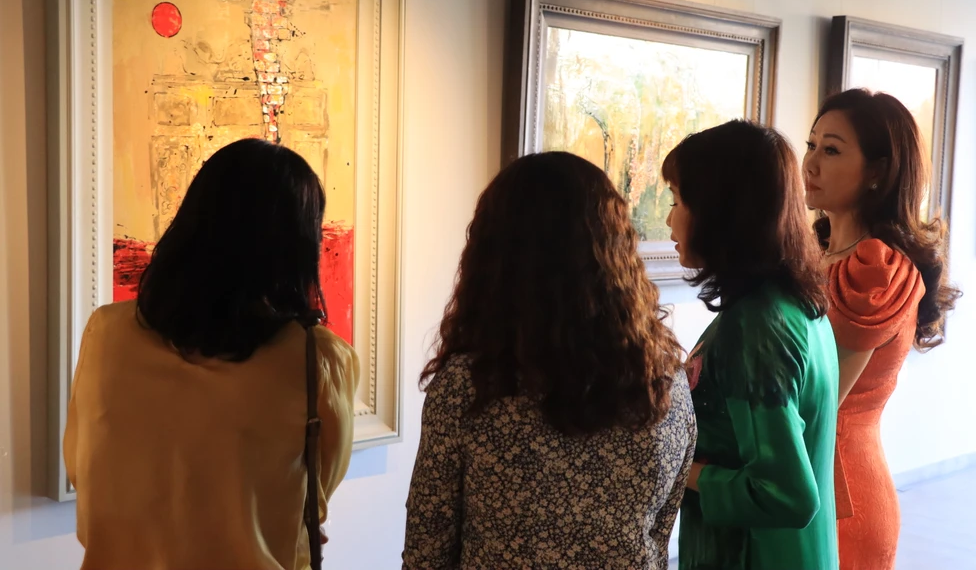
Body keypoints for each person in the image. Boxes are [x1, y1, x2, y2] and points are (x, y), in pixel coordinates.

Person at [64, 139, 359, 570]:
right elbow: (314, 497)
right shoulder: (317, 358)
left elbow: (81, 468)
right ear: (295, 247)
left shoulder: (105, 332)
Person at [402, 151, 696, 569]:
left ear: (494, 258)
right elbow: (659, 535)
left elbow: (427, 552)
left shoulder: (470, 386)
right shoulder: (664, 382)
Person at [666, 120, 839, 570]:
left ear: (720, 210)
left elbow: (787, 495)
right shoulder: (792, 304)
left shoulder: (757, 325)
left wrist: (678, 467)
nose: (669, 219)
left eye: (677, 201)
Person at [803, 88, 961, 570]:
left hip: (840, 493)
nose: (810, 163)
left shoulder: (876, 270)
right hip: (795, 477)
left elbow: (817, 402)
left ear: (877, 172)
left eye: (831, 150)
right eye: (811, 145)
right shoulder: (815, 253)